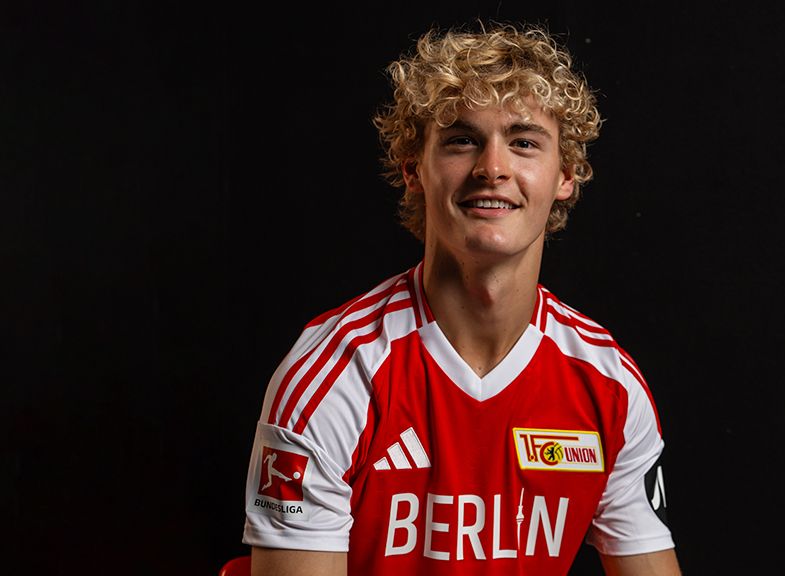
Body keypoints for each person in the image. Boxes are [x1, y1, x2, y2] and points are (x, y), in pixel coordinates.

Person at [241, 20, 682, 576]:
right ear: (414, 171)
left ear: (565, 176)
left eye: (524, 142)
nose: (492, 168)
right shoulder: (336, 376)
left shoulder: (608, 386)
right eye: (461, 140)